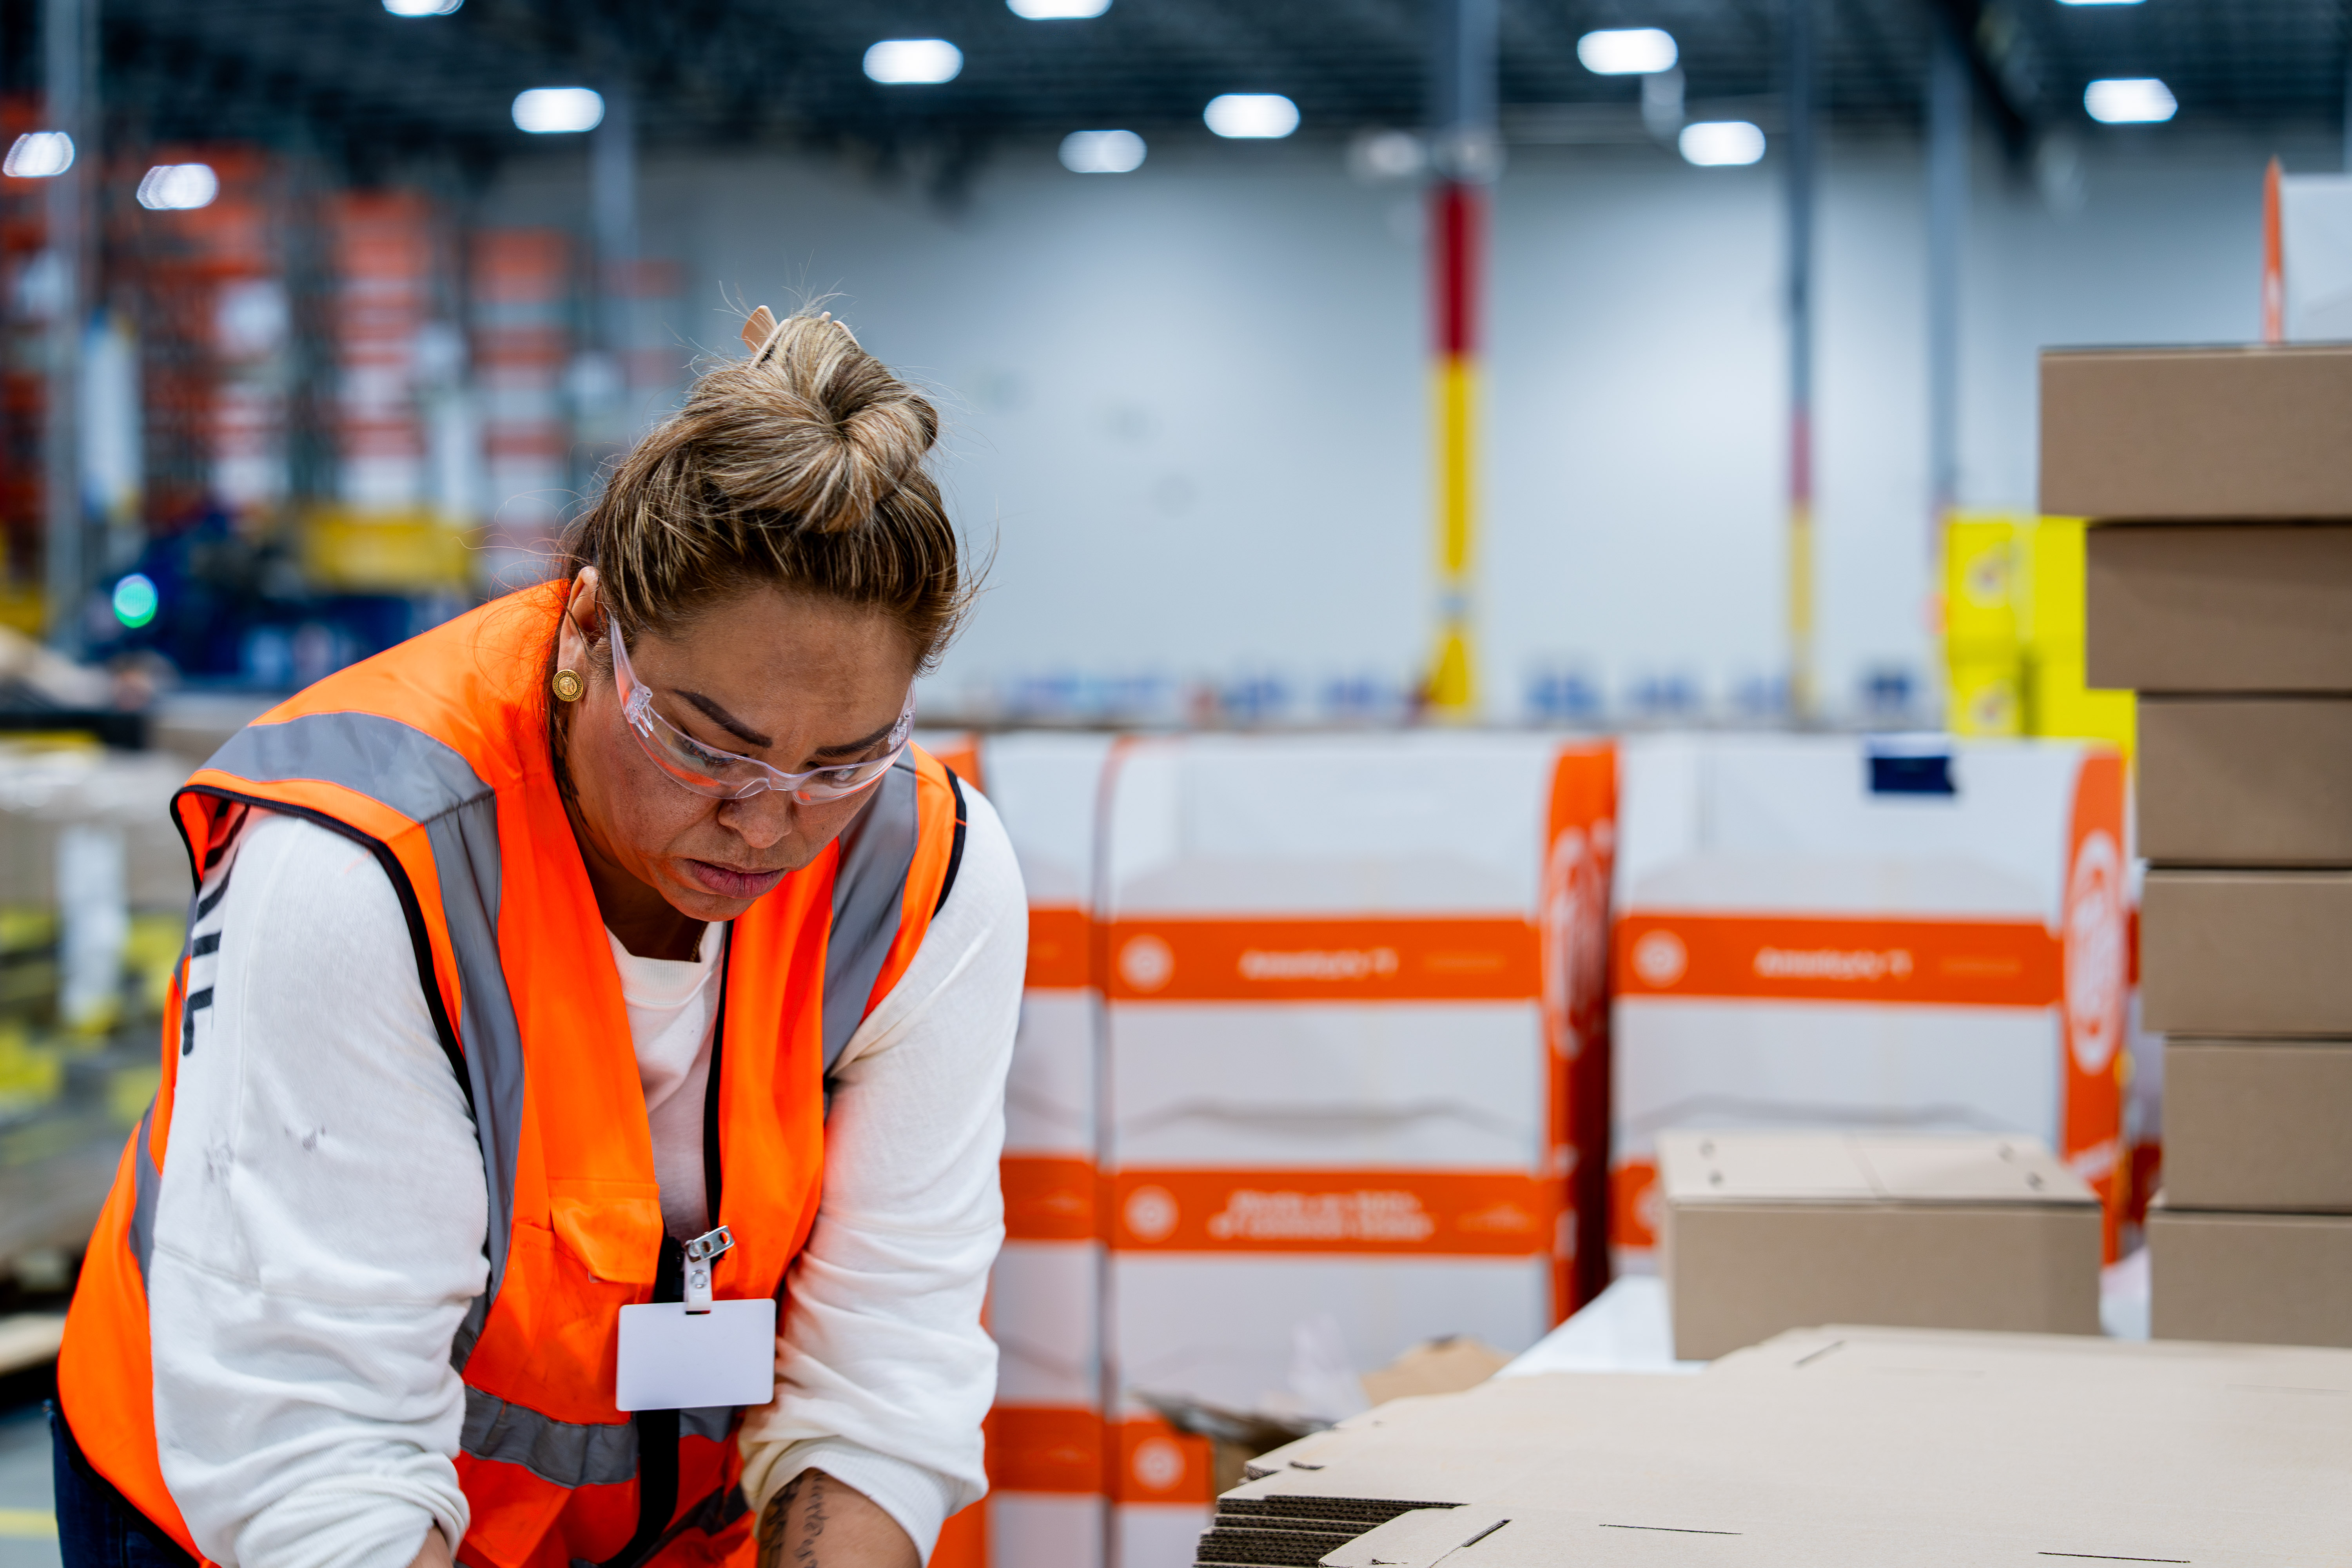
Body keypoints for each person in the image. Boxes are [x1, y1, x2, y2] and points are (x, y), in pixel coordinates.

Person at [51, 309, 1024, 1568]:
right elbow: (320, 1456)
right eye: (705, 744)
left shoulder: (924, 873)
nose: (768, 824)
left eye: (843, 762)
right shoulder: (364, 864)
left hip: (664, 1527)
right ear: (585, 633)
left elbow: (887, 1362)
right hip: (267, 1504)